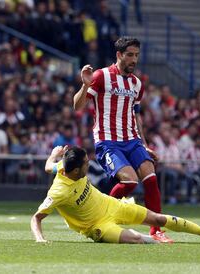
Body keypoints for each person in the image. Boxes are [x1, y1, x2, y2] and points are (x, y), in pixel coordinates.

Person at [73, 36, 170, 242]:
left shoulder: (137, 84)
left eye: (136, 55)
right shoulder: (101, 76)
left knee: (151, 178)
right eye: (130, 55)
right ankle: (102, 217)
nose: (134, 59)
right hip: (108, 141)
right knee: (130, 181)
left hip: (132, 140)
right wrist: (84, 85)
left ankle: (157, 231)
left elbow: (136, 115)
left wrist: (144, 145)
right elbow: (78, 106)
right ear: (119, 55)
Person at [31, 146, 200, 244]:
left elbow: (49, 167)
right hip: (98, 226)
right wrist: (40, 239)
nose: (88, 165)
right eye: (85, 164)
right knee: (139, 240)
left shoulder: (64, 167)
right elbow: (36, 218)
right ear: (74, 172)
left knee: (157, 218)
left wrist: (53, 155)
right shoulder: (58, 192)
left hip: (111, 204)